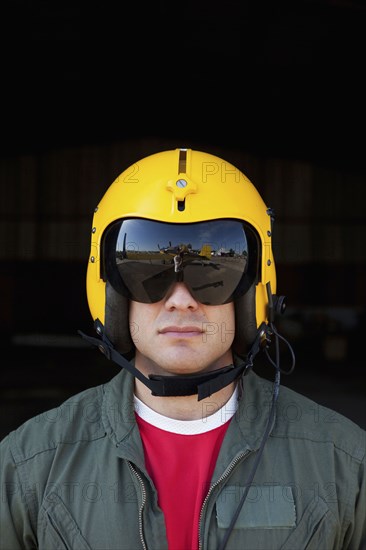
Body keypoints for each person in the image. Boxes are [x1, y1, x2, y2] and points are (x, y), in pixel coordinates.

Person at [0, 148, 365, 550]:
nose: (181, 301)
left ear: (252, 291)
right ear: (112, 293)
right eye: (145, 272)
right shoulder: (30, 464)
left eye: (214, 276)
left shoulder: (344, 464)